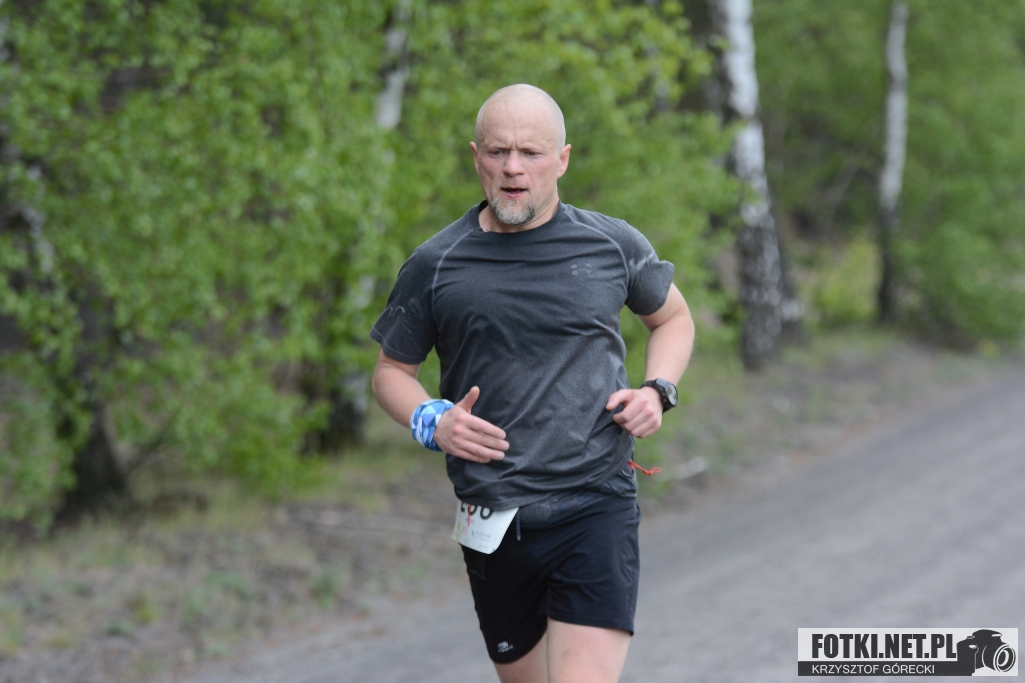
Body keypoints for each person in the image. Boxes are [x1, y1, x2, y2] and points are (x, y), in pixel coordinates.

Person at [370, 83, 694, 683]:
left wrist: (657, 389)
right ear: (476, 158)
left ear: (562, 159)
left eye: (531, 153)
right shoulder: (436, 264)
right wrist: (433, 421)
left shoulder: (611, 244)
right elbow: (391, 373)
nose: (513, 168)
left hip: (595, 501)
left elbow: (673, 318)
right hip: (493, 518)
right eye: (497, 152)